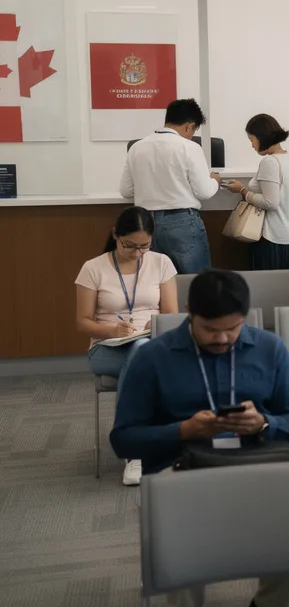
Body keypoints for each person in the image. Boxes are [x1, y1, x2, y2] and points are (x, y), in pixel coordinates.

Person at [110, 268, 289, 607]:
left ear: (244, 317)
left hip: (254, 464)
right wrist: (183, 430)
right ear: (189, 313)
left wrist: (263, 423)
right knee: (180, 539)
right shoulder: (153, 358)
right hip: (181, 470)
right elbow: (124, 440)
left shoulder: (269, 348)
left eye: (232, 328)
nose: (222, 339)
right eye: (210, 330)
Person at [76, 205, 179, 486]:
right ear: (115, 235)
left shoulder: (161, 263)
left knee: (141, 351)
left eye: (144, 247)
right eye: (129, 246)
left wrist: (153, 326)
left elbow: (171, 313)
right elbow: (83, 322)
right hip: (106, 348)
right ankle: (142, 449)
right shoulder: (93, 268)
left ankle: (135, 444)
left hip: (151, 343)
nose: (137, 254)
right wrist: (112, 329)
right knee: (141, 355)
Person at [119, 98, 217, 274]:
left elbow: (126, 191)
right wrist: (215, 181)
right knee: (194, 284)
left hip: (145, 223)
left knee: (155, 284)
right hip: (182, 222)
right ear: (189, 126)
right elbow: (204, 192)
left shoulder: (137, 147)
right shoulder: (190, 147)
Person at [221, 114, 289, 270]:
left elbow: (270, 202)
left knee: (267, 290)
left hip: (271, 237)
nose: (252, 145)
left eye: (252, 140)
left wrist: (242, 191)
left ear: (261, 137)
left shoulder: (270, 162)